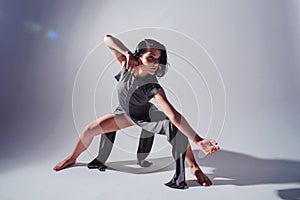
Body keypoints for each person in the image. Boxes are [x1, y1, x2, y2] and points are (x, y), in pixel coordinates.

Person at [53, 35, 220, 189]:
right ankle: (72, 158)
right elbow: (107, 39)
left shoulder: (153, 86)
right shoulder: (125, 66)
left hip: (145, 116)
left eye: (158, 60)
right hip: (123, 114)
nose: (155, 63)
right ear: (138, 57)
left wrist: (199, 141)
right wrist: (127, 54)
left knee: (174, 129)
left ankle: (194, 167)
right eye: (151, 58)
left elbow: (174, 115)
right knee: (89, 129)